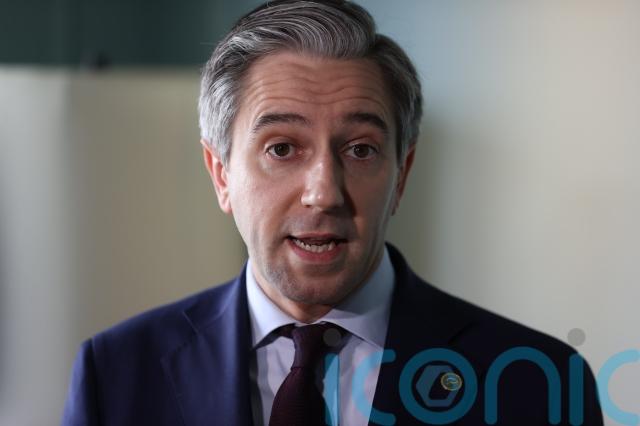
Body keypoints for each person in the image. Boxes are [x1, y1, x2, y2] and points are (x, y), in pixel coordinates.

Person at [61, 1, 604, 425]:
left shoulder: (539, 382)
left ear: (401, 174)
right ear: (221, 174)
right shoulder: (115, 374)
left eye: (360, 149)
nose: (324, 193)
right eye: (281, 148)